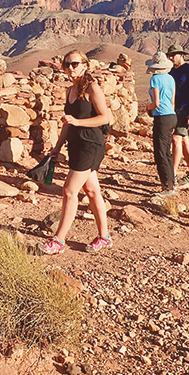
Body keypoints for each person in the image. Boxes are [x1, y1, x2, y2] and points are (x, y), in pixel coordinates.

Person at [38, 50, 112, 255]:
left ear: (85, 65)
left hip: (91, 145)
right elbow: (67, 123)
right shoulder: (70, 90)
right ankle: (105, 237)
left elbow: (104, 118)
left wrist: (78, 122)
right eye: (67, 64)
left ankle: (58, 240)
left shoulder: (92, 87)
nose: (70, 68)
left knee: (70, 191)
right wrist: (57, 147)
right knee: (92, 191)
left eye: (75, 64)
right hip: (76, 145)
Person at [167, 44, 189, 185]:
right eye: (169, 56)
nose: (170, 58)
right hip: (174, 110)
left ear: (181, 55)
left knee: (176, 139)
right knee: (184, 141)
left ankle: (172, 175)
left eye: (173, 55)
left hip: (185, 110)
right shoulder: (171, 71)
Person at [145, 51, 177, 198]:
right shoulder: (171, 78)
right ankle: (172, 183)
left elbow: (156, 103)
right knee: (167, 151)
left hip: (162, 117)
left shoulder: (155, 79)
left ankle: (167, 188)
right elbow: (172, 101)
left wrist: (148, 108)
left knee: (160, 153)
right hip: (171, 116)